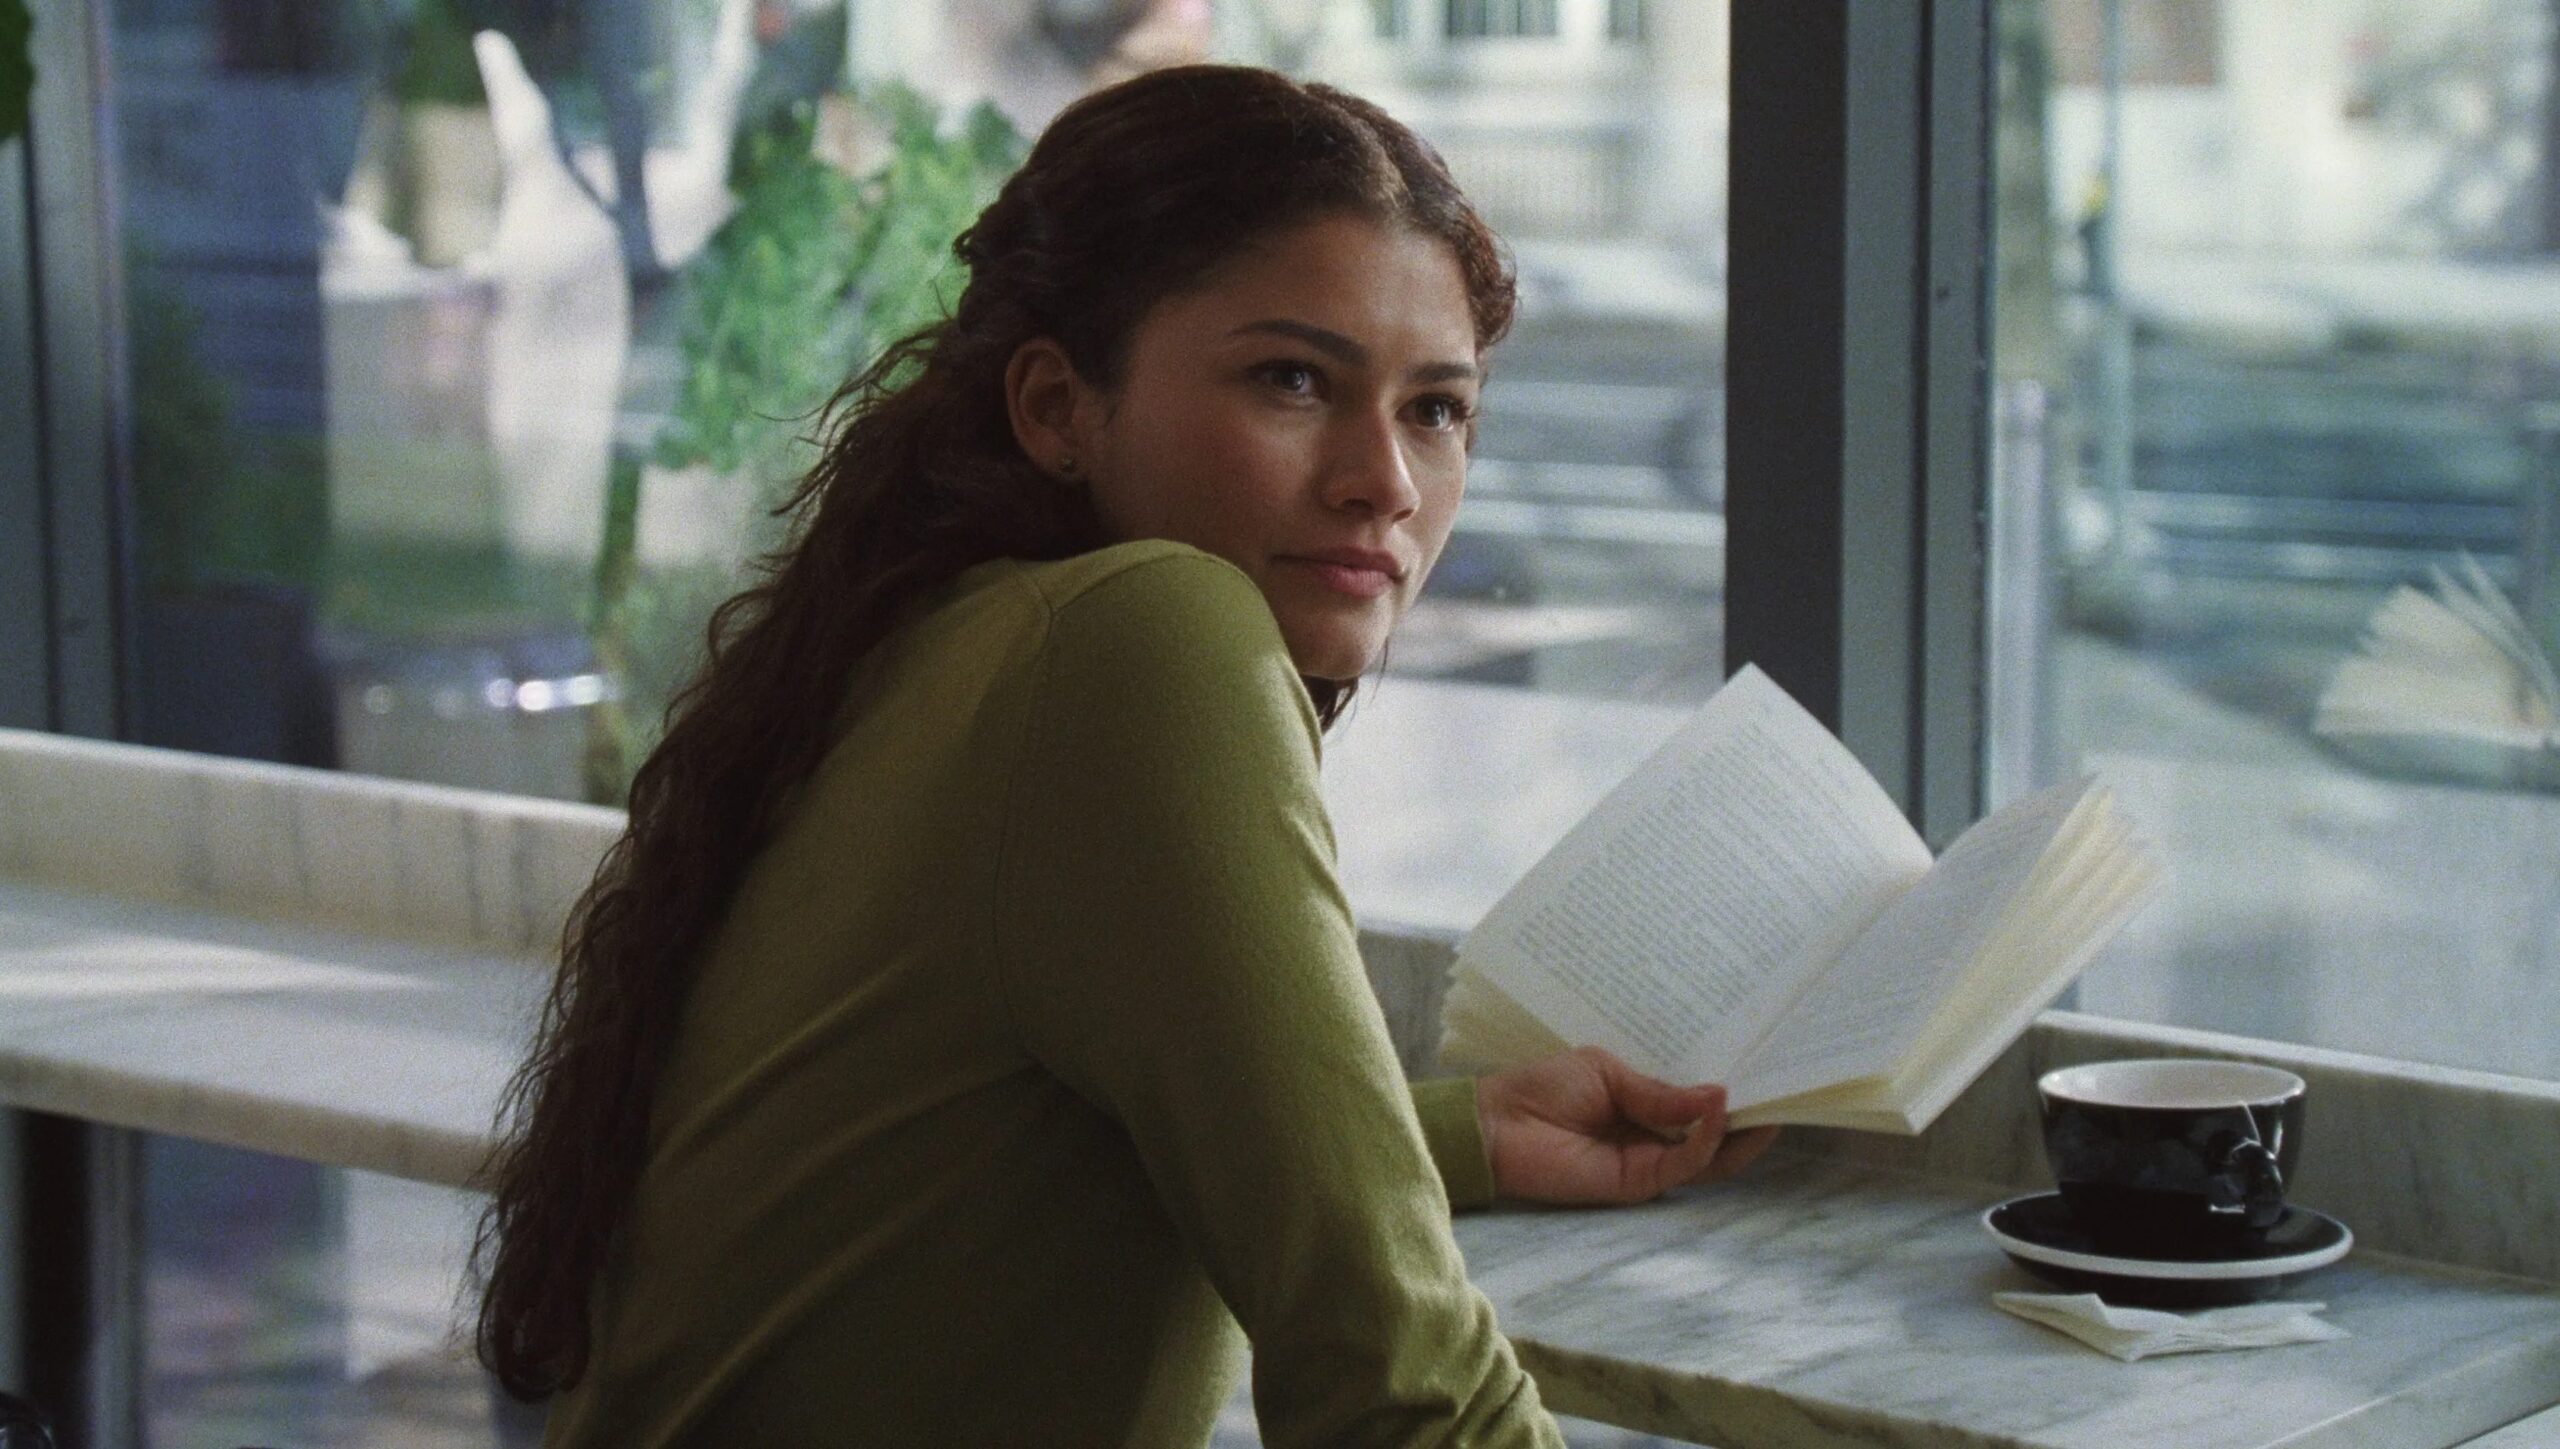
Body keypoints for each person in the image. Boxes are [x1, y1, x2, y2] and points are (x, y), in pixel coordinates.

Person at [474, 63, 1776, 1448]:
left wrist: (1451, 1137)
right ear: (1056, 406)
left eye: (1436, 409)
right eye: (1292, 379)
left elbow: (1022, 1124)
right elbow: (1405, 1395)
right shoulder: (1140, 638)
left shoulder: (941, 634)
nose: (1386, 483)